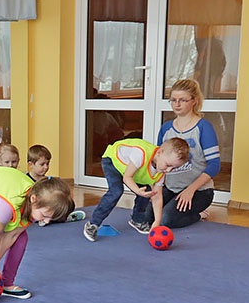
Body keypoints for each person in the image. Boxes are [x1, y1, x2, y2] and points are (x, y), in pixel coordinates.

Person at [0, 167, 75, 303]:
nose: (46, 222)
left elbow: (13, 234)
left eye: (51, 219)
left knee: (22, 239)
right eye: (45, 215)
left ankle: (7, 283)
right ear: (33, 199)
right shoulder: (9, 205)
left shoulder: (34, 202)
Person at [144, 79, 220, 229]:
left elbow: (214, 166)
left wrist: (190, 190)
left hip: (199, 191)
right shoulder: (166, 128)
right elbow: (158, 161)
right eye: (173, 100)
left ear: (194, 101)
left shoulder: (204, 127)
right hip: (171, 188)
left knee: (166, 220)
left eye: (183, 100)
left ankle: (199, 214)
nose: (177, 104)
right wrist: (155, 189)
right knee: (149, 217)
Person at [83, 138, 190, 242]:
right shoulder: (140, 154)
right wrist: (138, 191)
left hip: (131, 171)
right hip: (113, 162)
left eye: (174, 168)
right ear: (160, 152)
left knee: (148, 191)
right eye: (168, 165)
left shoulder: (160, 172)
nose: (169, 170)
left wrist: (157, 221)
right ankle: (93, 224)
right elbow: (127, 178)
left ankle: (137, 220)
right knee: (116, 191)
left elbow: (157, 196)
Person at [25, 144, 85, 226]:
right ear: (31, 164)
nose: (46, 167)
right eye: (42, 164)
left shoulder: (47, 180)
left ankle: (63, 217)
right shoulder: (25, 181)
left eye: (48, 164)